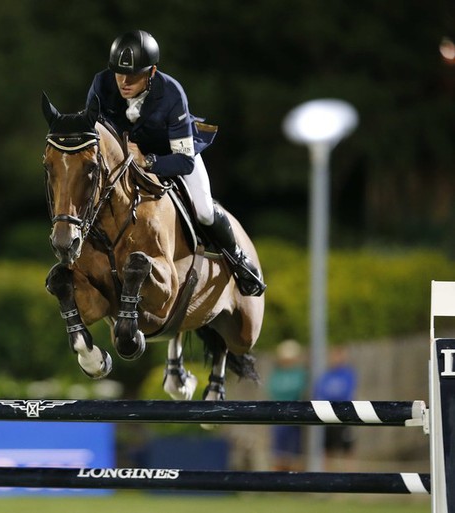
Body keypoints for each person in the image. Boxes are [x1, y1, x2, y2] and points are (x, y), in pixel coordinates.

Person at [86, 30, 265, 296]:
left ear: (152, 72)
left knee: (203, 209)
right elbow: (89, 132)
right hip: (122, 161)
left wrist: (147, 160)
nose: (124, 82)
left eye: (133, 75)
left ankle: (239, 259)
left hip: (171, 155)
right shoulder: (102, 84)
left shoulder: (171, 93)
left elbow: (184, 162)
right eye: (119, 73)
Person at [266, 339, 308, 471]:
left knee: (295, 451)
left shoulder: (300, 373)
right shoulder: (277, 374)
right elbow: (272, 390)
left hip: (295, 417)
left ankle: (296, 481)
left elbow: (300, 390)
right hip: (278, 417)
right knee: (278, 452)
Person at [314, 345, 358, 470]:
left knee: (347, 448)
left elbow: (346, 393)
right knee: (327, 449)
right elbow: (319, 392)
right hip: (328, 415)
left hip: (344, 415)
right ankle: (327, 479)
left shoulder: (348, 374)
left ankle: (349, 478)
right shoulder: (326, 375)